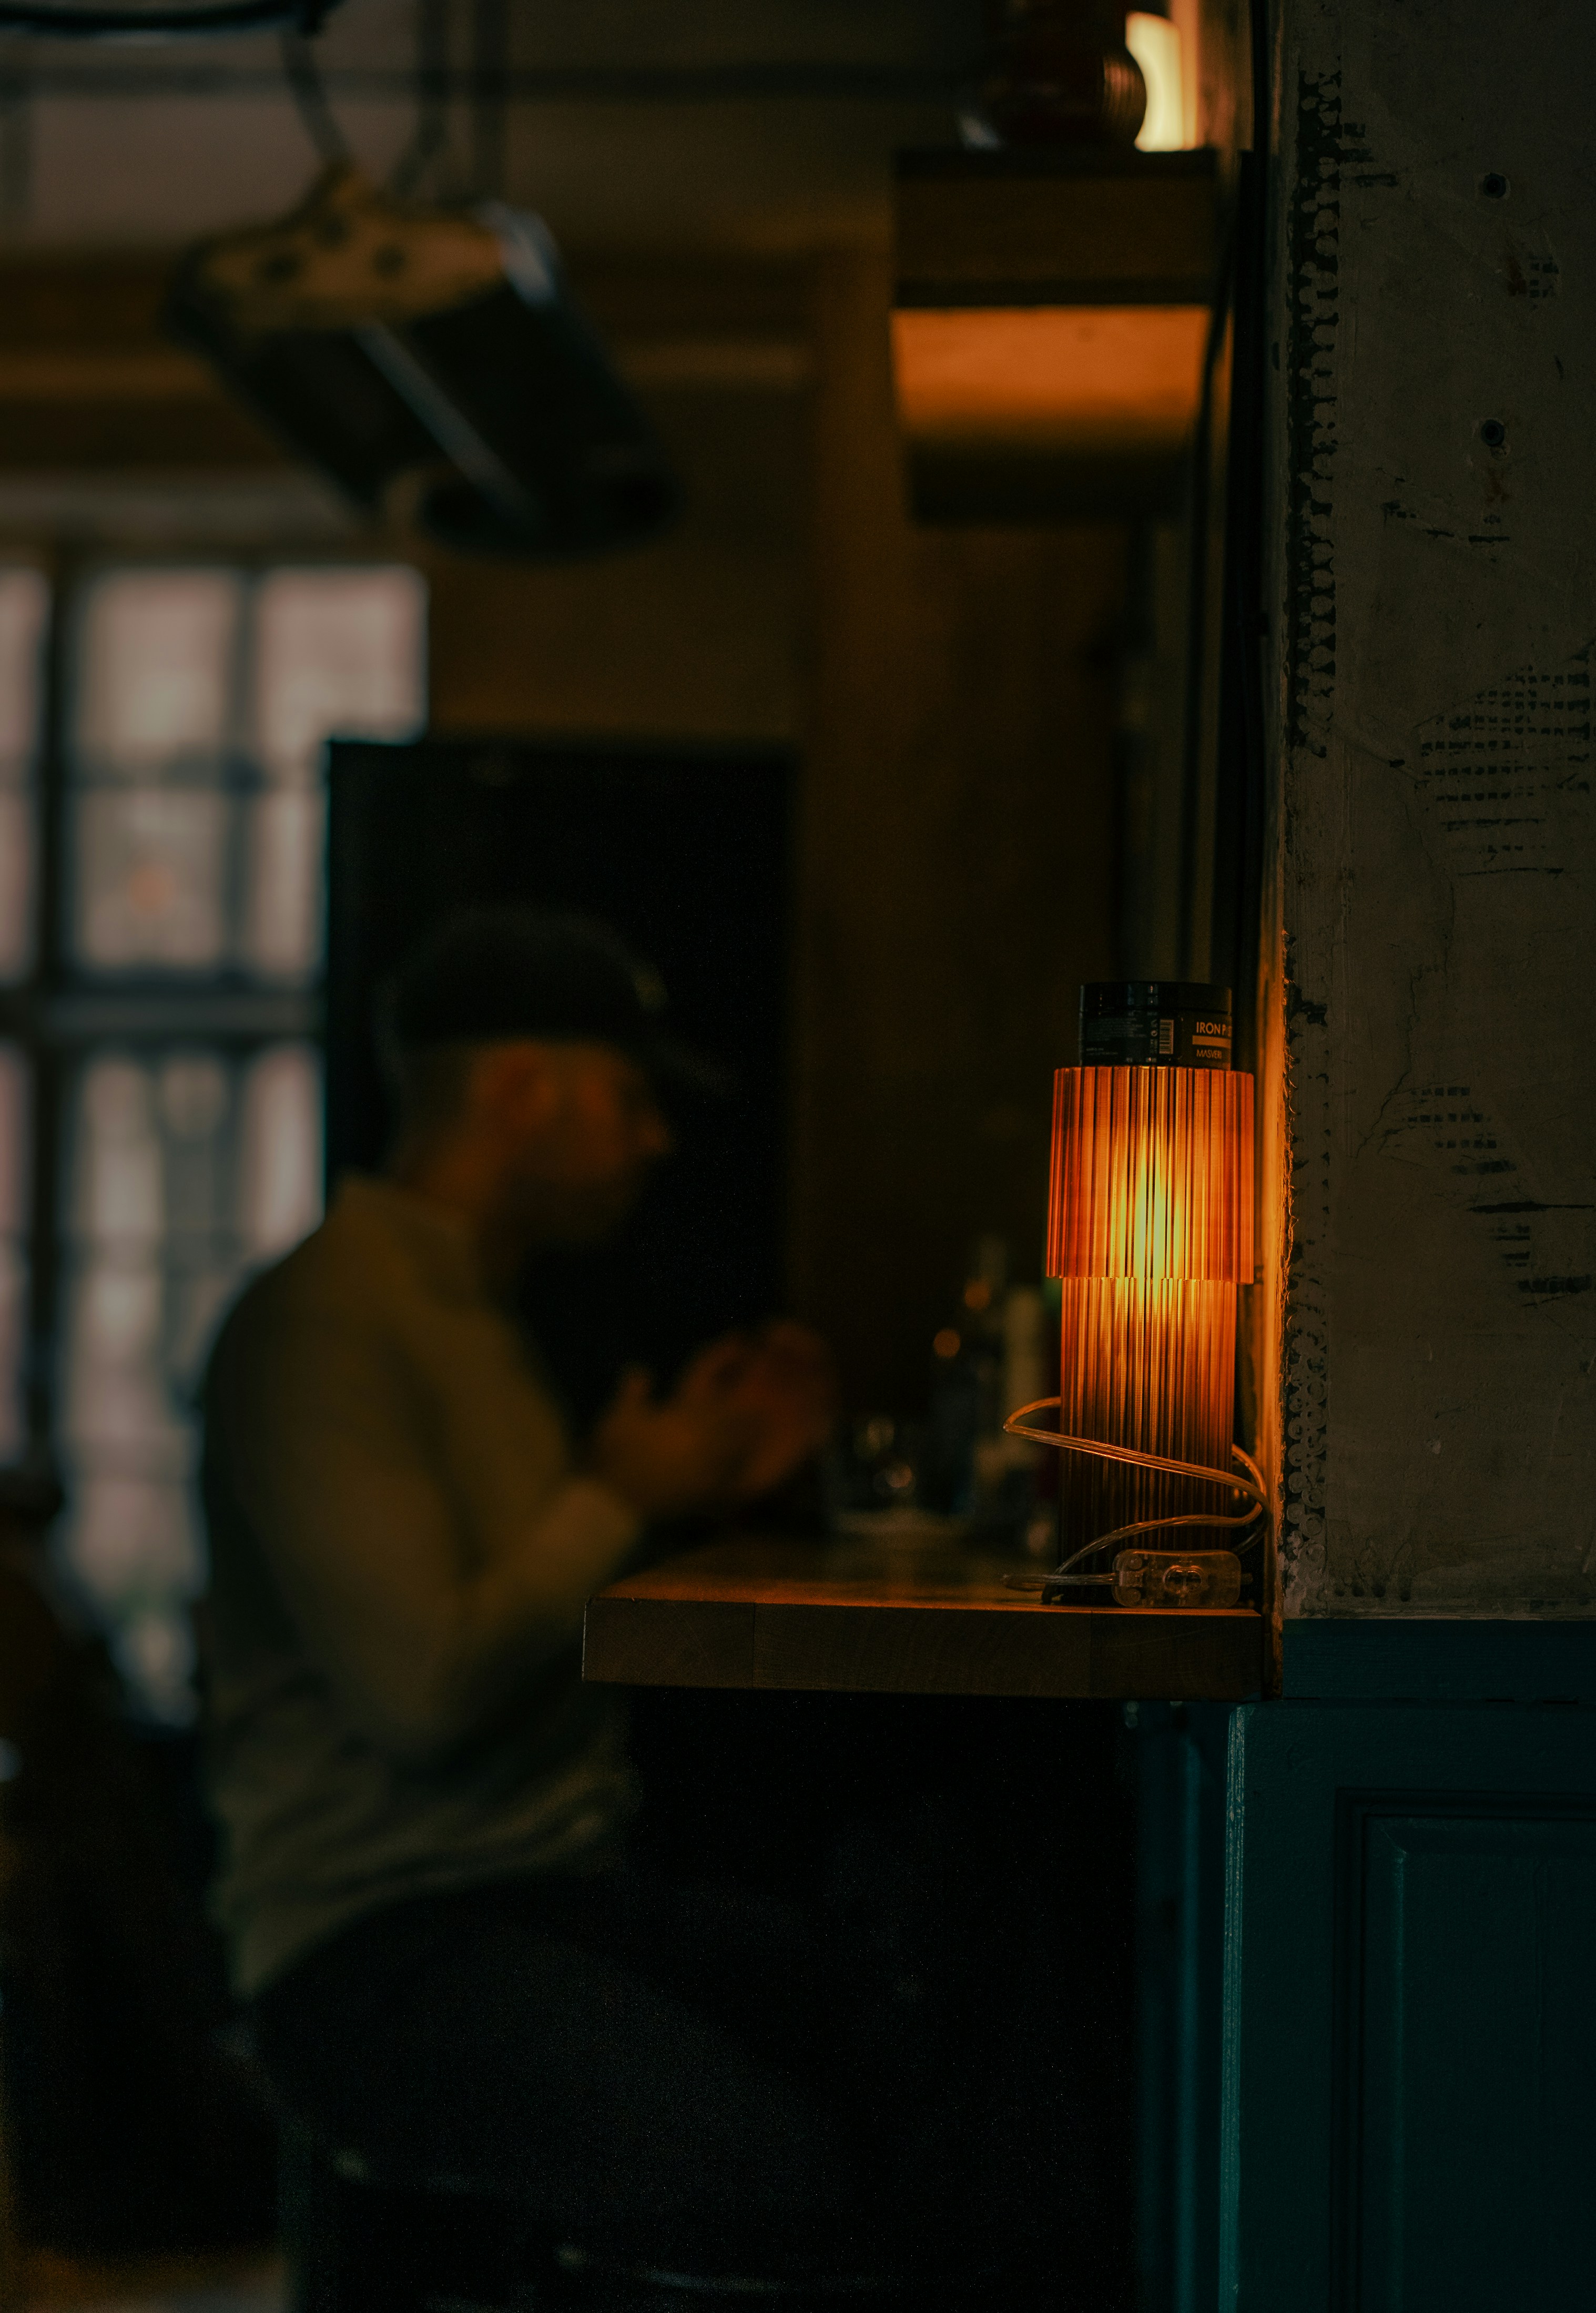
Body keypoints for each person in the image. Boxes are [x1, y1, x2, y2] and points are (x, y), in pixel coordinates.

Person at [199, 908, 859, 2270]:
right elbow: (424, 1696)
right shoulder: (325, 1322)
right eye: (627, 1096)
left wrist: (712, 1489)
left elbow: (529, 1608)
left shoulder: (469, 1312)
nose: (655, 1139)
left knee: (899, 2019)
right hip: (372, 1944)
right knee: (756, 2169)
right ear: (517, 1091)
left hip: (536, 1887)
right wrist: (619, 1494)